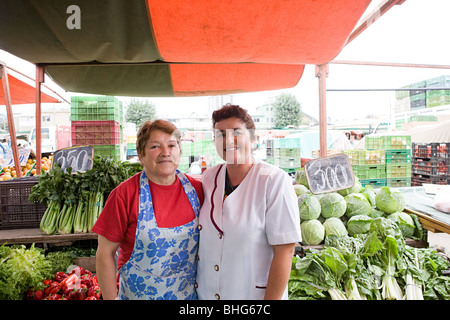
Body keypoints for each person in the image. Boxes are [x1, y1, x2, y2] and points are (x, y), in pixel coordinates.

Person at [196, 104, 301, 300]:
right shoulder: (209, 178)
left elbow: (285, 251)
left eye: (237, 132)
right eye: (220, 134)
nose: (228, 140)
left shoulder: (274, 181)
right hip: (208, 294)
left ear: (253, 139)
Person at [92, 119, 204, 300]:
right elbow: (105, 254)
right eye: (155, 147)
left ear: (179, 151)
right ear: (140, 155)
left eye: (172, 145)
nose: (165, 153)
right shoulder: (124, 195)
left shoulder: (198, 190)